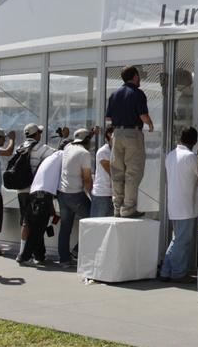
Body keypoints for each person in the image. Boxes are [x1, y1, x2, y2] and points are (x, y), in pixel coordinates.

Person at [106, 65, 154, 218]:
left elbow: (109, 119)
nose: (139, 79)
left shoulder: (114, 94)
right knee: (133, 172)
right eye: (138, 76)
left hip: (117, 133)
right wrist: (151, 124)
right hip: (133, 133)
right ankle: (128, 208)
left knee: (117, 171)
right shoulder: (138, 93)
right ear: (134, 77)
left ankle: (117, 207)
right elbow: (143, 116)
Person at [160, 127, 198, 282]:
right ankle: (178, 273)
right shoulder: (191, 157)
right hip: (186, 205)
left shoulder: (170, 155)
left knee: (177, 239)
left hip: (174, 204)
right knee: (182, 241)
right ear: (194, 141)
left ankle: (166, 271)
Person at [56, 128, 95, 266]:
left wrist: (90, 133)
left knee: (65, 227)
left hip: (62, 192)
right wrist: (91, 196)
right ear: (87, 141)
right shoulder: (84, 153)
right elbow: (87, 178)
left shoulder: (68, 147)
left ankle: (64, 259)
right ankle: (77, 252)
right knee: (94, 221)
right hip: (75, 194)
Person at [19, 141, 63, 265]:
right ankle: (25, 256)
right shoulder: (63, 156)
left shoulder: (51, 158)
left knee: (37, 226)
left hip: (34, 194)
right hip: (44, 196)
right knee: (38, 230)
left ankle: (39, 255)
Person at [15, 124, 54, 257]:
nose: (40, 135)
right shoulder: (42, 148)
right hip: (36, 191)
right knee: (37, 223)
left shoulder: (20, 148)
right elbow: (58, 154)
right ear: (36, 134)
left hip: (21, 190)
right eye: (40, 132)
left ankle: (31, 252)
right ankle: (26, 254)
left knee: (26, 222)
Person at [90, 126, 115, 218]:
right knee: (96, 227)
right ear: (109, 135)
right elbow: (112, 172)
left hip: (112, 196)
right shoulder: (103, 152)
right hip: (101, 195)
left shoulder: (116, 151)